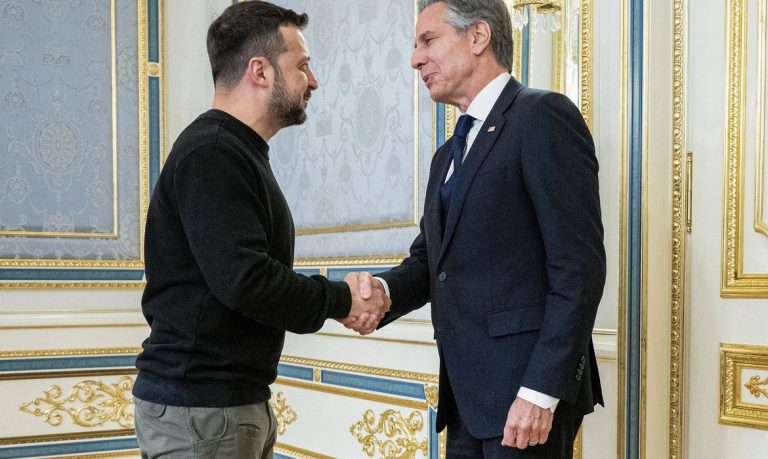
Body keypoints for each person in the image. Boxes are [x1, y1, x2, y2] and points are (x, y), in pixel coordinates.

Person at [344, 0, 606, 457]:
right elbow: (431, 261)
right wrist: (384, 291)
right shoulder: (447, 155)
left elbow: (579, 268)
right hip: (465, 399)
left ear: (478, 37)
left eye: (428, 41)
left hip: (525, 398)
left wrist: (540, 391)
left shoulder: (542, 116)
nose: (415, 59)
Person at [132, 2, 389, 458]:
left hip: (222, 407)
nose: (313, 80)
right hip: (203, 411)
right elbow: (246, 281)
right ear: (261, 71)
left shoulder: (234, 151)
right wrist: (343, 299)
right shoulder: (213, 153)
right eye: (303, 66)